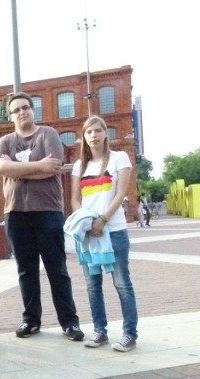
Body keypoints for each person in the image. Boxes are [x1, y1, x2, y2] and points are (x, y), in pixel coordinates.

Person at [0, 92, 84, 341]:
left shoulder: (48, 134)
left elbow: (52, 168)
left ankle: (69, 322)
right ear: (10, 116)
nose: (22, 112)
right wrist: (37, 166)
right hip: (16, 214)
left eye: (26, 108)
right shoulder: (4, 142)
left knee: (57, 269)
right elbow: (1, 169)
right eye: (16, 110)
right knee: (26, 271)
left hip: (48, 212)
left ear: (33, 111)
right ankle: (31, 320)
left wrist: (17, 171)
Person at [69, 115, 139, 352]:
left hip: (114, 230)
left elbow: (120, 194)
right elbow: (74, 199)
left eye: (98, 131)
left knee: (122, 283)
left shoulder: (120, 159)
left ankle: (130, 333)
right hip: (88, 233)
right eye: (89, 132)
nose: (94, 135)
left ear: (105, 133)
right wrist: (87, 222)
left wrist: (103, 220)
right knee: (92, 284)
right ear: (84, 137)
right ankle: (100, 331)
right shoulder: (80, 166)